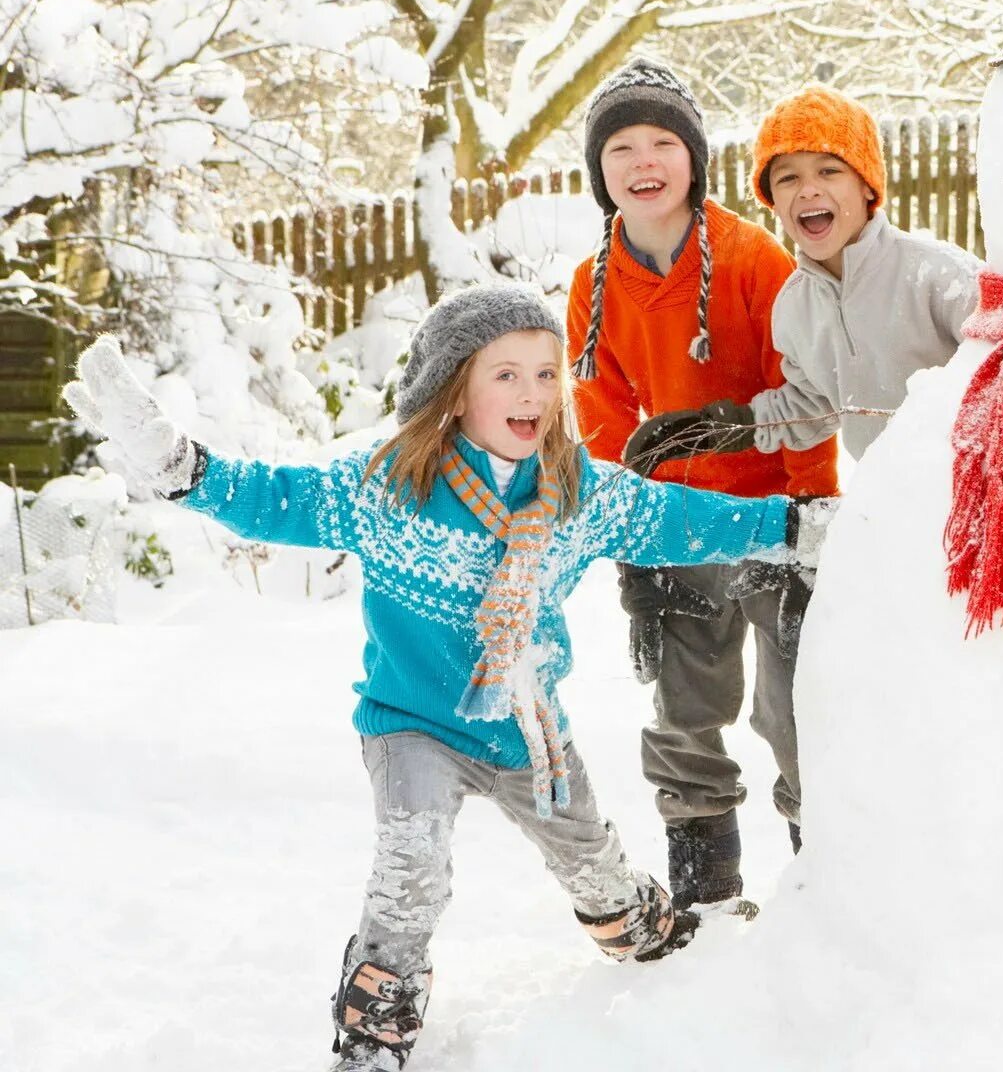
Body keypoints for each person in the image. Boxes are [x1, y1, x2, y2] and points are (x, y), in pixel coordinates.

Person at [61, 285, 833, 1072]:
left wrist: (790, 526)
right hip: (412, 721)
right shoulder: (388, 488)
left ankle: (632, 921)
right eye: (506, 375)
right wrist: (183, 469)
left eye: (545, 374)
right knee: (410, 866)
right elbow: (275, 500)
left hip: (525, 724)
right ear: (454, 389)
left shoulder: (578, 493)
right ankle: (377, 1023)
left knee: (587, 858)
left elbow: (677, 518)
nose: (531, 393)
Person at [565, 57, 837, 909]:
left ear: (692, 158)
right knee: (687, 709)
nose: (643, 163)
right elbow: (604, 418)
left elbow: (802, 391)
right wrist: (630, 536)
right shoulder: (594, 285)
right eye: (620, 149)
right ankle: (706, 889)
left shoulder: (755, 260)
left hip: (769, 515)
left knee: (797, 710)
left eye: (661, 143)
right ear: (599, 172)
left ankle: (824, 881)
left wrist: (809, 518)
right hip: (674, 525)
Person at [623, 83, 980, 468]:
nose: (808, 190)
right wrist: (719, 428)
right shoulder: (795, 306)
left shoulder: (939, 277)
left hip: (977, 489)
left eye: (829, 170)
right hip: (889, 499)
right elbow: (810, 404)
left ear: (866, 186)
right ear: (772, 202)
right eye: (788, 178)